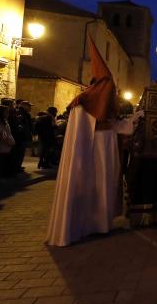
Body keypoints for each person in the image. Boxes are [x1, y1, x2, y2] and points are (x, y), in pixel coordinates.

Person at [46, 38, 138, 247]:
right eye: (111, 89)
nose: (113, 94)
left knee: (104, 185)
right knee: (88, 185)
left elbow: (114, 125)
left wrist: (134, 121)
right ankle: (81, 224)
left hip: (105, 151)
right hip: (88, 155)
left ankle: (100, 223)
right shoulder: (83, 104)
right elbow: (80, 136)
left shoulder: (100, 105)